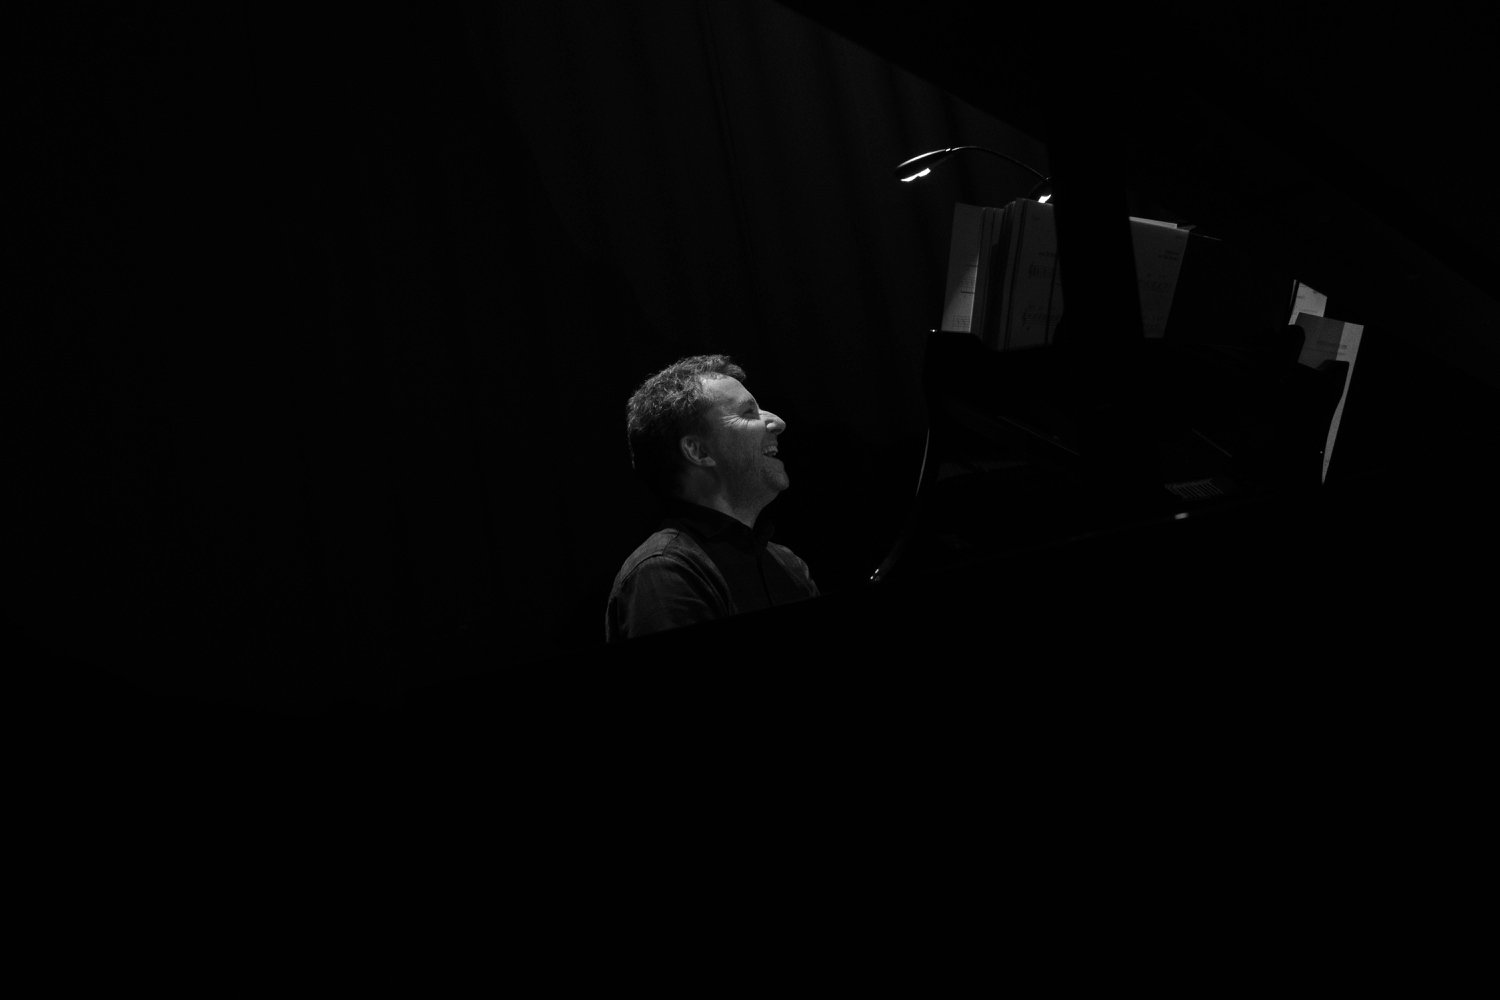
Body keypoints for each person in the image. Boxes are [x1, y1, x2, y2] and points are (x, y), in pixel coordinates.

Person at [606, 354, 819, 641]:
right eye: (748, 413)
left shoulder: (789, 566)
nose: (778, 422)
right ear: (699, 452)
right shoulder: (664, 572)